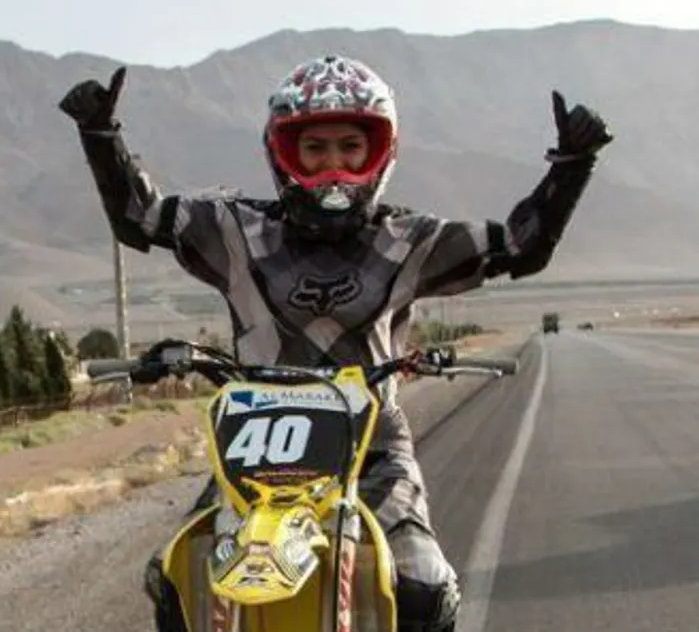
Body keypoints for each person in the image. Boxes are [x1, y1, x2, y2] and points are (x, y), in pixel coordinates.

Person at [56, 55, 613, 632]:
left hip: (372, 442)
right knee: (177, 576)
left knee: (422, 583)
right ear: (283, 153)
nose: (334, 167)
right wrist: (101, 136)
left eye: (351, 147)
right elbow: (140, 217)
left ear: (380, 152)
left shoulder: (411, 240)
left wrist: (572, 165)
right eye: (315, 149)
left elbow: (521, 247)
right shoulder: (233, 231)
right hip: (256, 444)